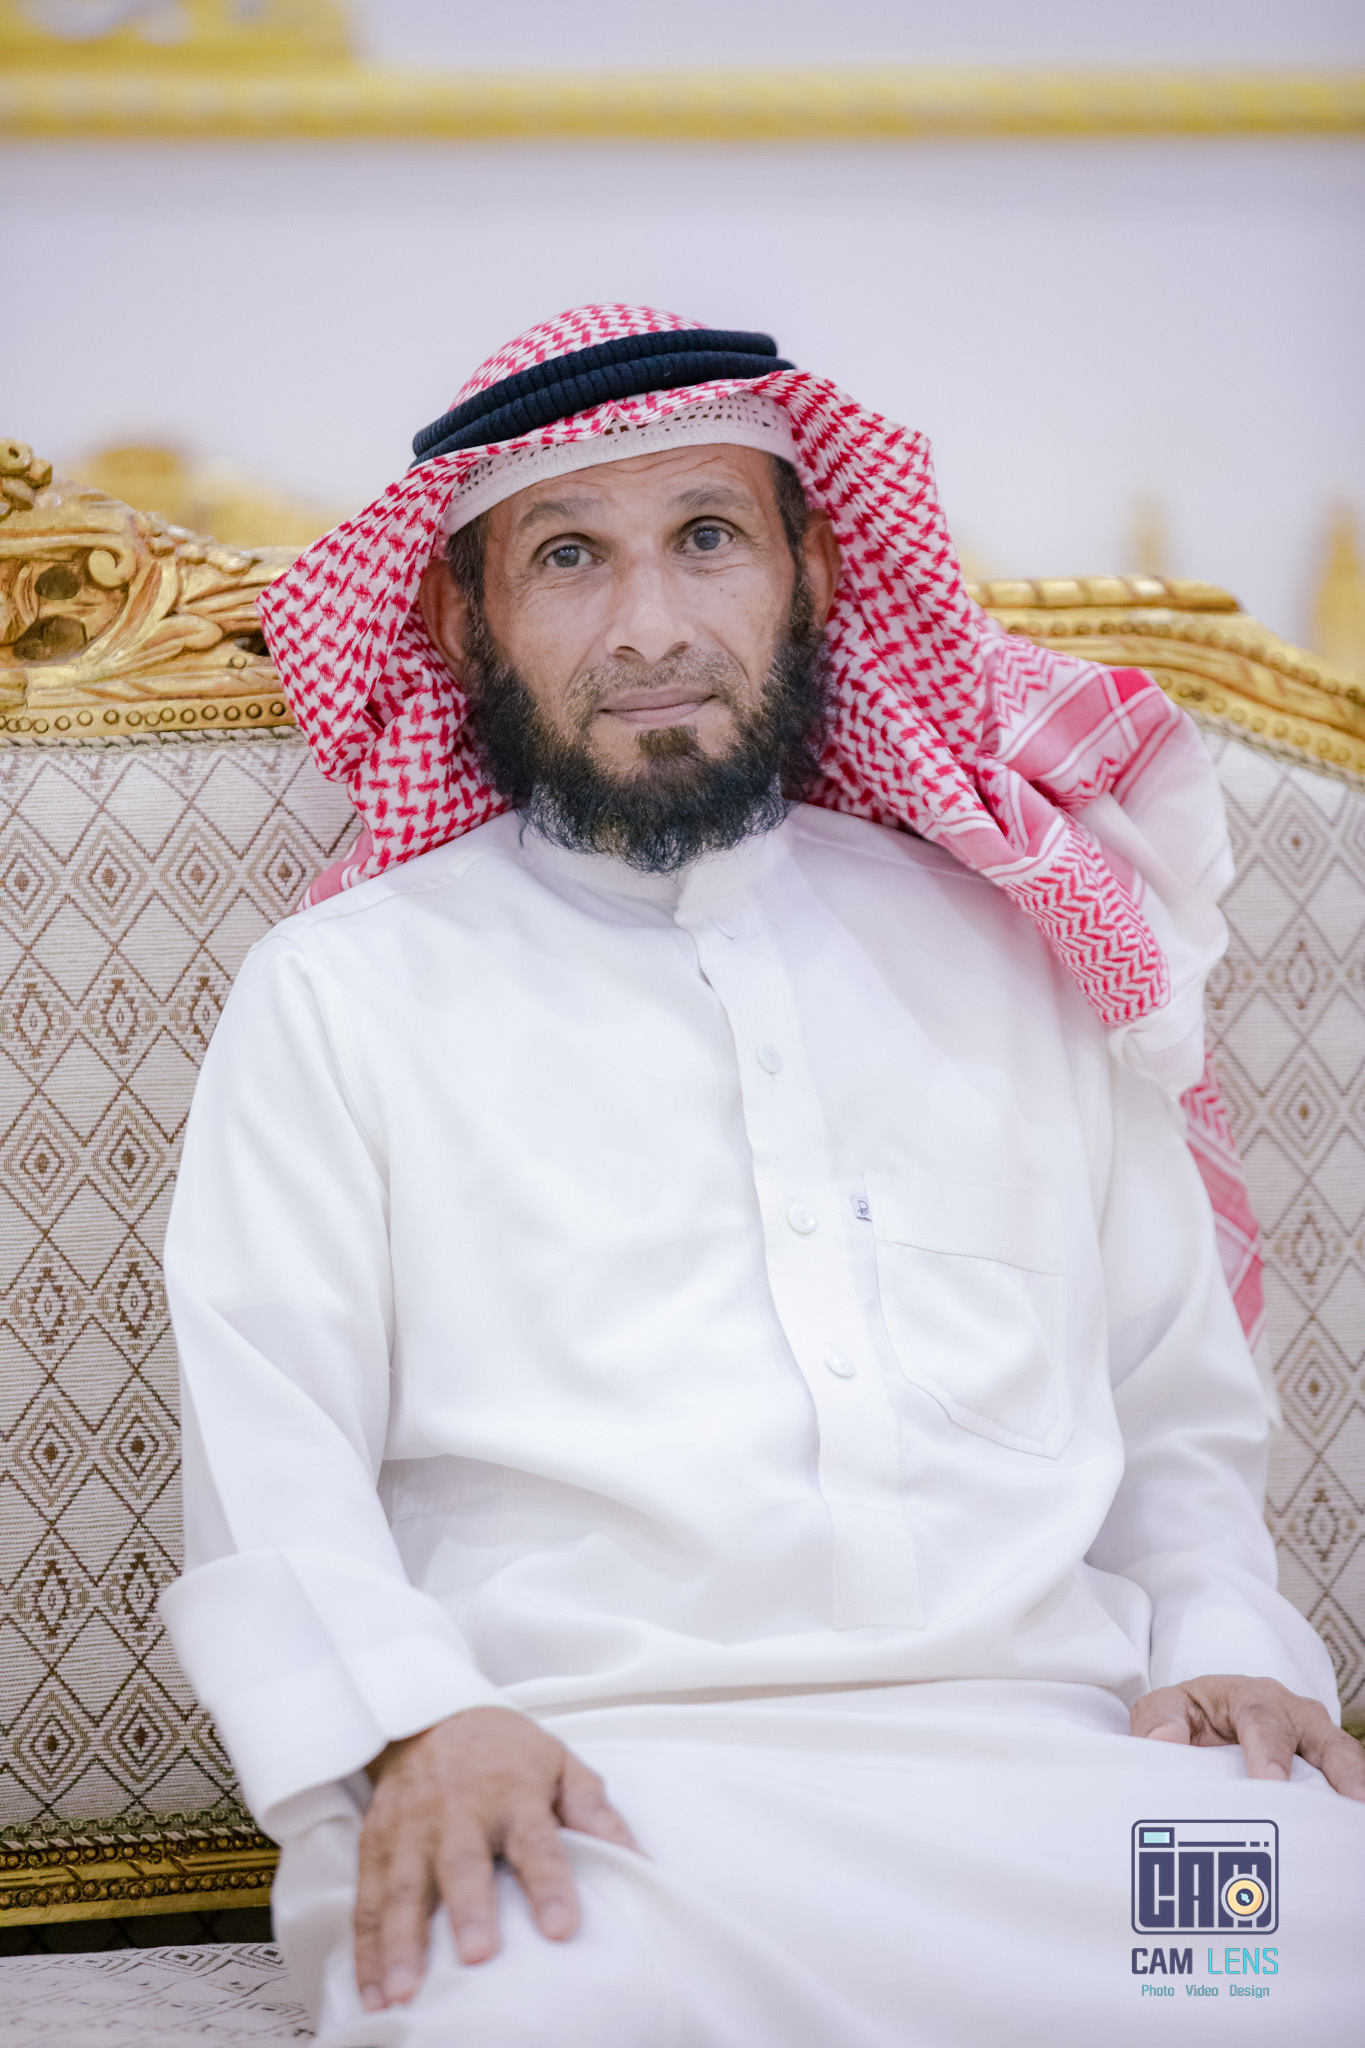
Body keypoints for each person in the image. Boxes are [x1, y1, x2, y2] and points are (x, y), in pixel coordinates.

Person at [161, 307, 1365, 2047]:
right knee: (526, 2007)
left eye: (707, 536)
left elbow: (1172, 1409)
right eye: (568, 554)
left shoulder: (1013, 947)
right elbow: (270, 1457)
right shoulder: (343, 991)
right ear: (460, 618)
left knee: (1300, 1945)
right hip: (585, 1784)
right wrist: (420, 1720)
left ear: (811, 573)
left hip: (1070, 1774)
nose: (649, 625)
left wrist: (1223, 1640)